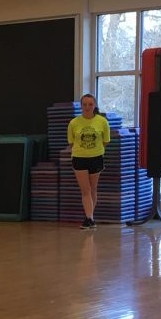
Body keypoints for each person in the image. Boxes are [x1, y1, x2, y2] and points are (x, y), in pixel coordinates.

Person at [67, 93, 110, 229]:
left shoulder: (102, 122)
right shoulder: (74, 123)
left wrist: (94, 150)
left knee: (93, 189)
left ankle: (90, 216)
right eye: (84, 104)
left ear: (94, 106)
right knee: (85, 190)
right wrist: (83, 151)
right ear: (81, 106)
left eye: (90, 104)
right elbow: (71, 142)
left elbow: (105, 141)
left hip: (96, 157)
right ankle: (89, 218)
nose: (87, 107)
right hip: (79, 158)